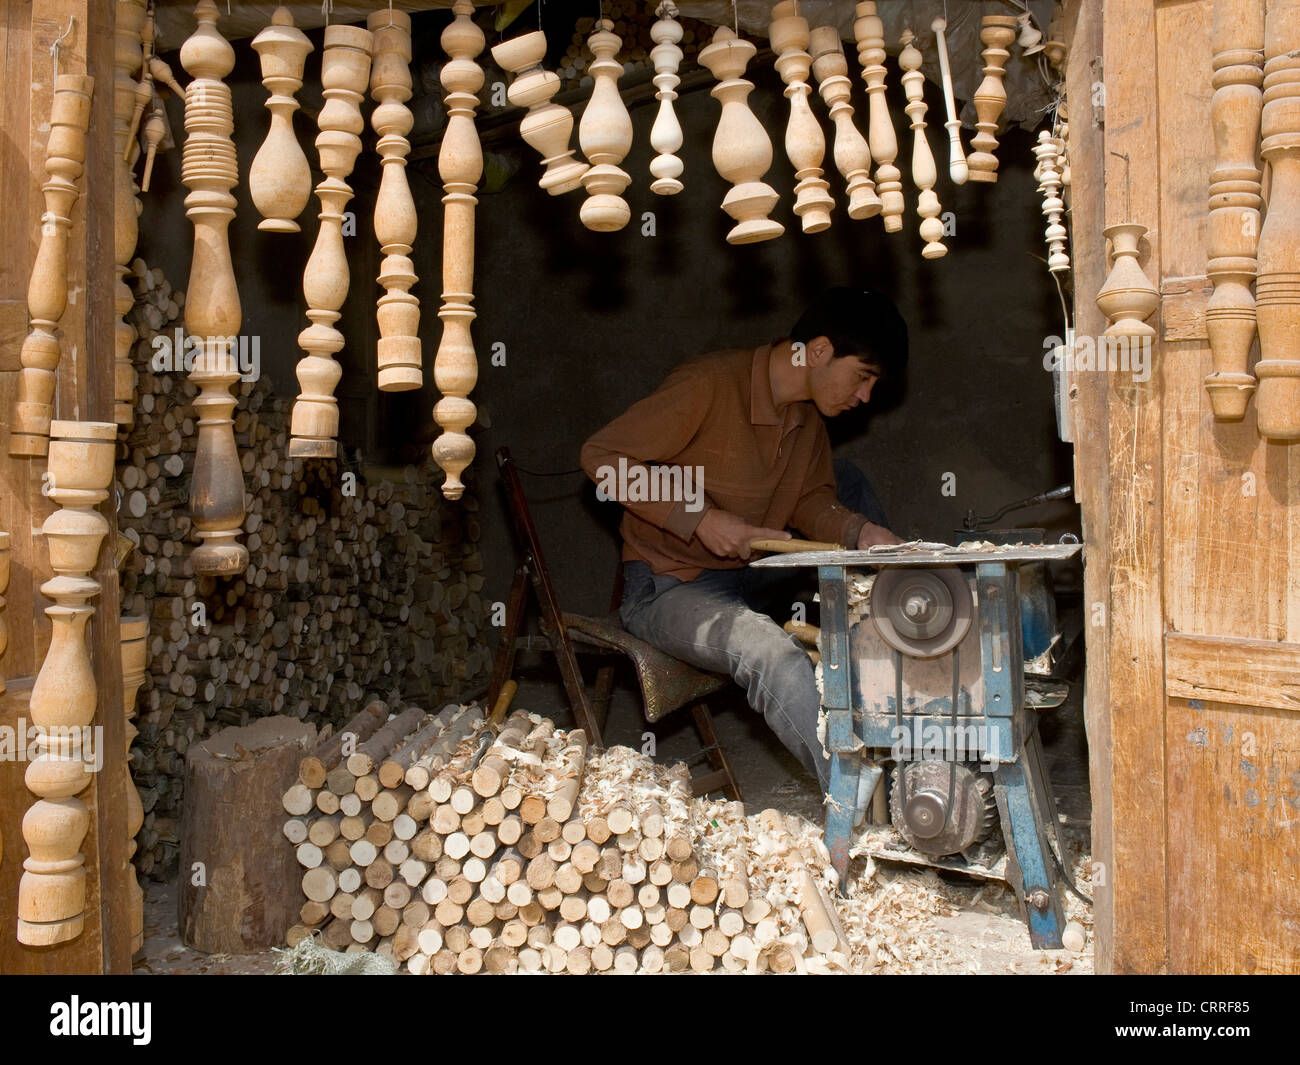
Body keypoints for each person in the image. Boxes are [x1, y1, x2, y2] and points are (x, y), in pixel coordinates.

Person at [580, 288, 908, 805]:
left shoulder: (808, 422)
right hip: (669, 586)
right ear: (819, 351)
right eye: (863, 376)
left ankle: (897, 693)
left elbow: (812, 500)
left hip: (747, 574)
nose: (865, 397)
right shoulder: (708, 385)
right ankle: (864, 804)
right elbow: (602, 458)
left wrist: (858, 533)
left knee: (852, 488)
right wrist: (700, 518)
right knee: (772, 654)